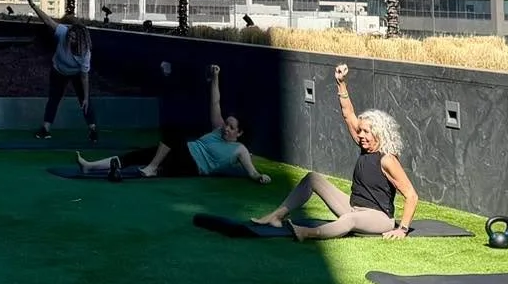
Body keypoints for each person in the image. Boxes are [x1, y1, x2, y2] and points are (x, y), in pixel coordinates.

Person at [252, 63, 419, 239]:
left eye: (366, 132)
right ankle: (276, 215)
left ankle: (307, 233)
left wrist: (402, 229)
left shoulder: (387, 160)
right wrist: (341, 83)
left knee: (349, 219)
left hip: (379, 218)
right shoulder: (364, 145)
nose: (360, 135)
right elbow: (348, 113)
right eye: (360, 130)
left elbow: (411, 195)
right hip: (353, 207)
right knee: (312, 179)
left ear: (378, 134)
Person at [72, 64, 274, 182]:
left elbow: (252, 171)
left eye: (231, 128)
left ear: (239, 133)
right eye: (226, 124)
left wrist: (260, 177)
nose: (226, 128)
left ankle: (152, 168)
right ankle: (90, 167)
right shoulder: (217, 128)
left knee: (174, 134)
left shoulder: (239, 150)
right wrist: (215, 77)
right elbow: (215, 101)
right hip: (180, 152)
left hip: (192, 166)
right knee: (136, 156)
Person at [23, 0, 97, 142]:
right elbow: (48, 21)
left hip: (77, 74)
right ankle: (46, 128)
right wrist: (33, 5)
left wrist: (86, 96)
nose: (69, 39)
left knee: (85, 100)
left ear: (79, 39)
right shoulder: (63, 32)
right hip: (58, 71)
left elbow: (84, 77)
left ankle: (93, 129)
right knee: (54, 98)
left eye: (73, 38)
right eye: (69, 36)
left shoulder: (85, 53)